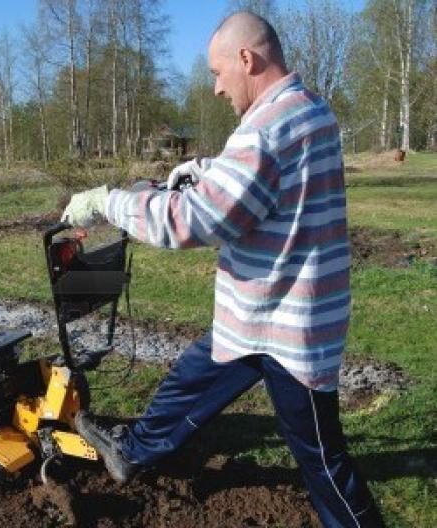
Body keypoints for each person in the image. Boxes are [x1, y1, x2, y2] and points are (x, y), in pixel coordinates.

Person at [60, 10, 384, 528]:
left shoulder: (267, 129)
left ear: (246, 59)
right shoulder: (307, 108)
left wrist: (108, 201)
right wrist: (206, 169)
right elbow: (263, 183)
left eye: (216, 73)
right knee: (193, 378)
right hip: (261, 310)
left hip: (290, 328)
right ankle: (137, 451)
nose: (215, 88)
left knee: (323, 461)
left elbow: (193, 220)